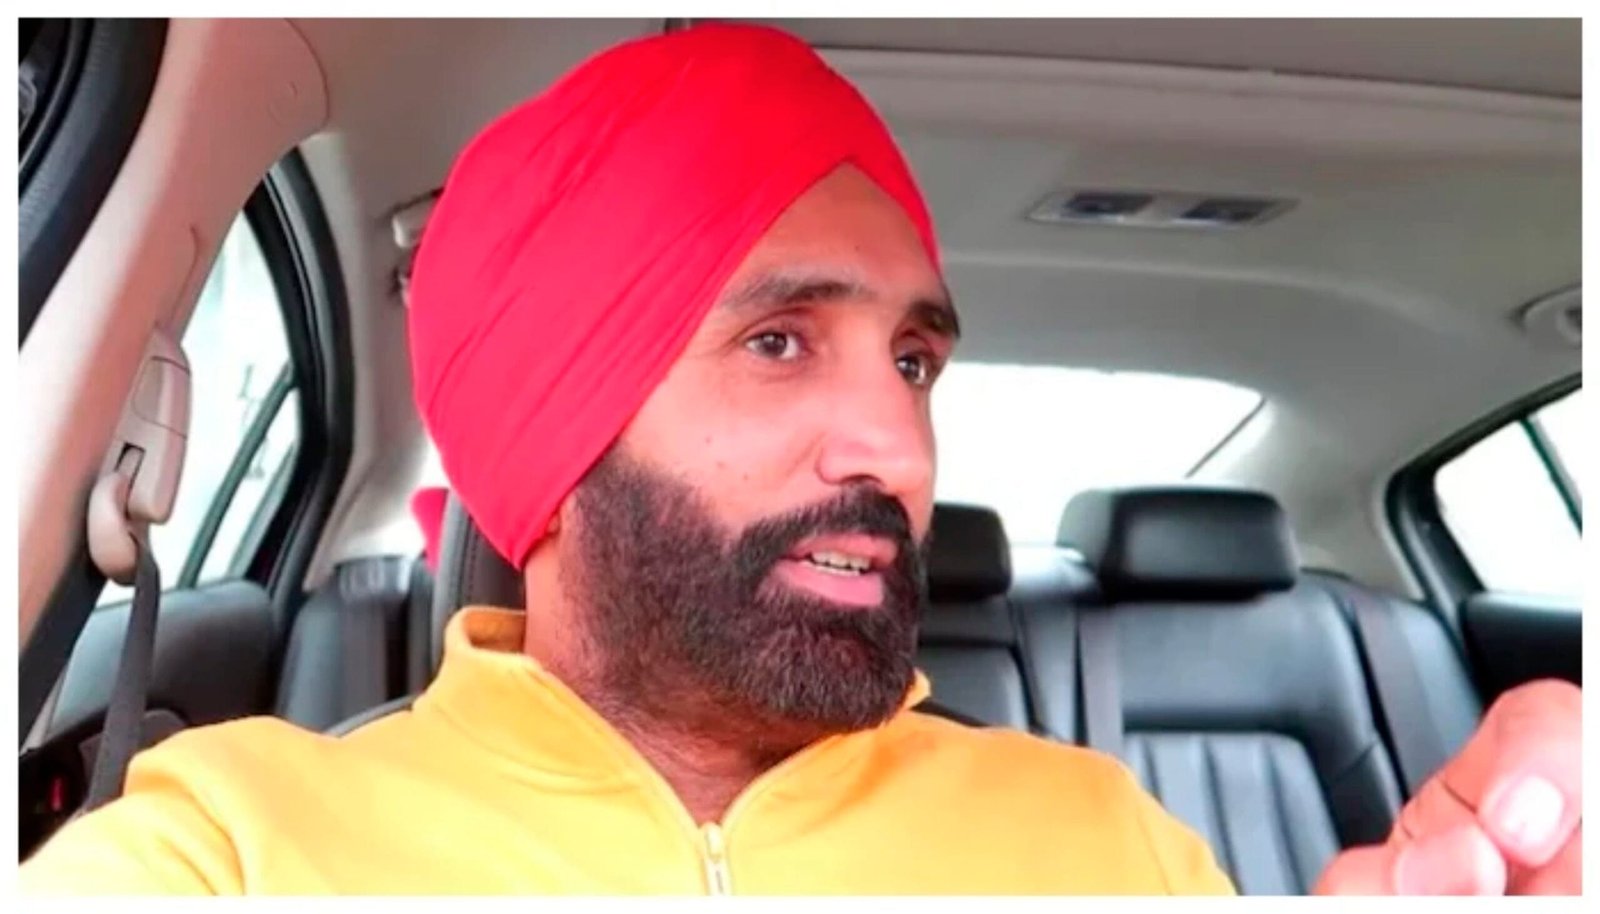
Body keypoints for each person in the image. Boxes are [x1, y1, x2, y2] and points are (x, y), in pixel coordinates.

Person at [20, 23, 1579, 895]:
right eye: (779, 341)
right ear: (553, 426)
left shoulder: (1110, 840)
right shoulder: (234, 846)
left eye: (914, 360)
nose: (896, 444)